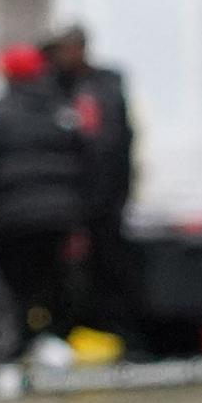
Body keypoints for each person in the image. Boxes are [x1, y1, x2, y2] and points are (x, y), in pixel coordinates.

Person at [0, 46, 93, 347]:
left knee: (6, 287)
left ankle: (8, 346)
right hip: (57, 221)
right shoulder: (65, 114)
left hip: (5, 222)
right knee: (49, 286)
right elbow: (89, 167)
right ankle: (44, 343)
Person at [42, 25, 138, 352]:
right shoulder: (53, 87)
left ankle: (111, 329)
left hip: (106, 196)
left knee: (107, 268)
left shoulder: (106, 84)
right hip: (66, 197)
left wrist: (124, 190)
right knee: (66, 271)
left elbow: (120, 140)